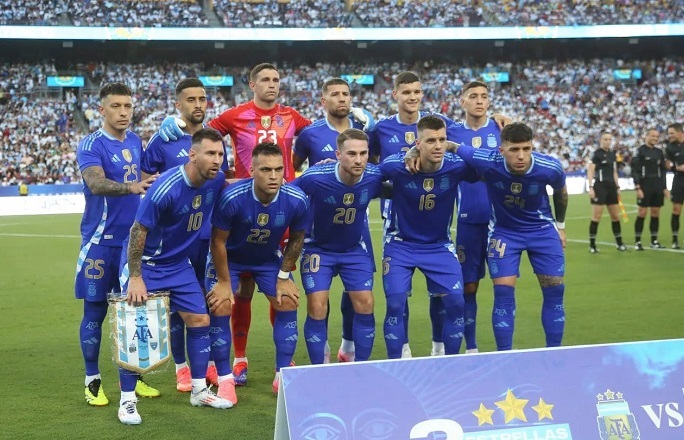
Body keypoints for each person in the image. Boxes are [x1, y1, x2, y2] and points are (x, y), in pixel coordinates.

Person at [159, 63, 370, 384]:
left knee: (280, 290)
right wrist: (175, 122)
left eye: (276, 79)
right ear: (252, 84)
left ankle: (281, 363)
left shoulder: (292, 117)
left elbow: (323, 134)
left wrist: (358, 123)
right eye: (266, 80)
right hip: (240, 211)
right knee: (240, 290)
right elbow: (202, 134)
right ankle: (238, 359)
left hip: (280, 215)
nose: (272, 84)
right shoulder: (234, 115)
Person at [118, 128, 232, 425]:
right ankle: (127, 400)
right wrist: (135, 276)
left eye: (220, 154)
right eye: (210, 153)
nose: (217, 160)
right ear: (192, 155)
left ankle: (199, 390)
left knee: (200, 320)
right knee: (135, 329)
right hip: (147, 264)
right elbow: (138, 231)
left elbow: (231, 185)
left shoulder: (215, 179)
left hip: (178, 264)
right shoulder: (165, 188)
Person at [142, 78, 230, 392]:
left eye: (202, 99)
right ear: (178, 104)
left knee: (208, 302)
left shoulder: (214, 140)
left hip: (207, 237)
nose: (198, 105)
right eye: (190, 100)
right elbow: (146, 182)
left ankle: (209, 366)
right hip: (175, 241)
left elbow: (221, 184)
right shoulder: (163, 139)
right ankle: (181, 368)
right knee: (176, 309)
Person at [75, 82, 159, 407]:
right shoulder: (91, 144)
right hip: (99, 243)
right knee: (95, 311)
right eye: (116, 106)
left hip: (132, 244)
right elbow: (95, 183)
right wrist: (131, 187)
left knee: (135, 312)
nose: (123, 112)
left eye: (127, 106)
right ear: (102, 109)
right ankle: (92, 380)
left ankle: (135, 377)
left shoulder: (136, 140)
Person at [452, 122, 568, 351]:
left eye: (526, 149)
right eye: (514, 150)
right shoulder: (487, 160)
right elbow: (452, 146)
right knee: (503, 293)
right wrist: (415, 152)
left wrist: (561, 226)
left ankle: (554, 352)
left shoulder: (549, 167)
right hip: (505, 233)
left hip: (542, 231)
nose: (521, 156)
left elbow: (561, 193)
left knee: (555, 290)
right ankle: (504, 355)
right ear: (501, 150)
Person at [208, 142, 309, 394]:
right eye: (265, 170)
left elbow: (297, 239)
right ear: (252, 171)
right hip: (231, 259)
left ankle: (281, 375)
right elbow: (218, 241)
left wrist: (284, 277)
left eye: (278, 169)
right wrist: (223, 282)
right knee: (221, 304)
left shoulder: (296, 199)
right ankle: (226, 377)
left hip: (266, 259)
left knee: (288, 300)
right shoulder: (232, 197)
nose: (273, 176)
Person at [378, 115, 479, 359]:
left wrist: (455, 147)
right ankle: (397, 363)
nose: (437, 146)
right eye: (431, 140)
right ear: (418, 143)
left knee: (456, 303)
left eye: (442, 140)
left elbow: (488, 165)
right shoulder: (396, 165)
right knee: (395, 304)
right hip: (400, 244)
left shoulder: (456, 166)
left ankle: (449, 362)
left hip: (439, 246)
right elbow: (366, 177)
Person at [292, 128, 388, 364]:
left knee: (366, 303)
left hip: (353, 250)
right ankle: (320, 366)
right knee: (317, 306)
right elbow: (287, 196)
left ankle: (361, 366)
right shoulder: (315, 177)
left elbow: (401, 180)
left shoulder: (373, 175)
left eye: (363, 153)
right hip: (318, 249)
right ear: (338, 155)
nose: (358, 160)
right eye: (351, 154)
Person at [292, 77, 368, 363]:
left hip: (356, 226)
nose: (342, 98)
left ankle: (348, 346)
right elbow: (293, 171)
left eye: (345, 94)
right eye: (335, 94)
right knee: (318, 300)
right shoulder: (310, 134)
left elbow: (373, 168)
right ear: (324, 101)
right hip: (319, 226)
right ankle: (321, 351)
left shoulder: (363, 130)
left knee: (356, 293)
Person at [441, 80, 502, 355]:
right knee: (469, 286)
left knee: (503, 285)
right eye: (473, 96)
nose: (479, 101)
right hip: (468, 219)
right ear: (462, 101)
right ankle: (472, 348)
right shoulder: (451, 132)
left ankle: (504, 348)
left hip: (501, 223)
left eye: (484, 96)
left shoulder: (501, 129)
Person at [587, 131, 627, 253]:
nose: (608, 141)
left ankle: (619, 243)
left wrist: (618, 186)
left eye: (609, 139)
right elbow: (590, 170)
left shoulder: (613, 154)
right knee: (596, 216)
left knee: (615, 216)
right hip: (600, 187)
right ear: (600, 141)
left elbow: (614, 172)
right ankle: (592, 245)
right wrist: (590, 187)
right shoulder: (596, 154)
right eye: (605, 139)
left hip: (611, 187)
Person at [631, 128, 668, 250]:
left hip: (657, 186)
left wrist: (664, 187)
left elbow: (663, 171)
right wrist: (638, 187)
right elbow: (634, 170)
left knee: (655, 213)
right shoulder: (639, 151)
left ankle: (654, 241)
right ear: (646, 136)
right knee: (642, 212)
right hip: (644, 185)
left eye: (657, 136)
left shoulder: (659, 152)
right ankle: (637, 242)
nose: (655, 138)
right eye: (653, 136)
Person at [665, 123, 684, 249]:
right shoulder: (670, 148)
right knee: (676, 210)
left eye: (672, 133)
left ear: (680, 132)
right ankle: (675, 239)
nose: (669, 136)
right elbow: (667, 164)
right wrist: (676, 168)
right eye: (669, 133)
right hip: (678, 180)